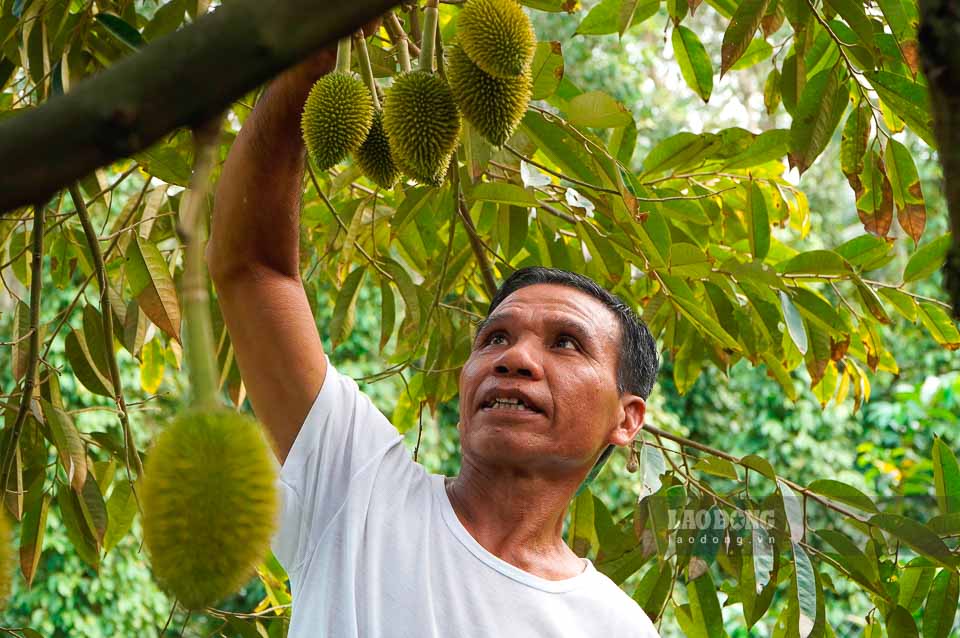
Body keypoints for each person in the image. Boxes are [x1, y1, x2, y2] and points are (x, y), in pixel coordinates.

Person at [207, 37, 662, 638]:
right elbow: (251, 267)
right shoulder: (356, 490)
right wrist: (313, 48)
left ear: (627, 419)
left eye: (565, 343)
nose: (515, 358)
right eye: (494, 339)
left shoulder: (616, 628)